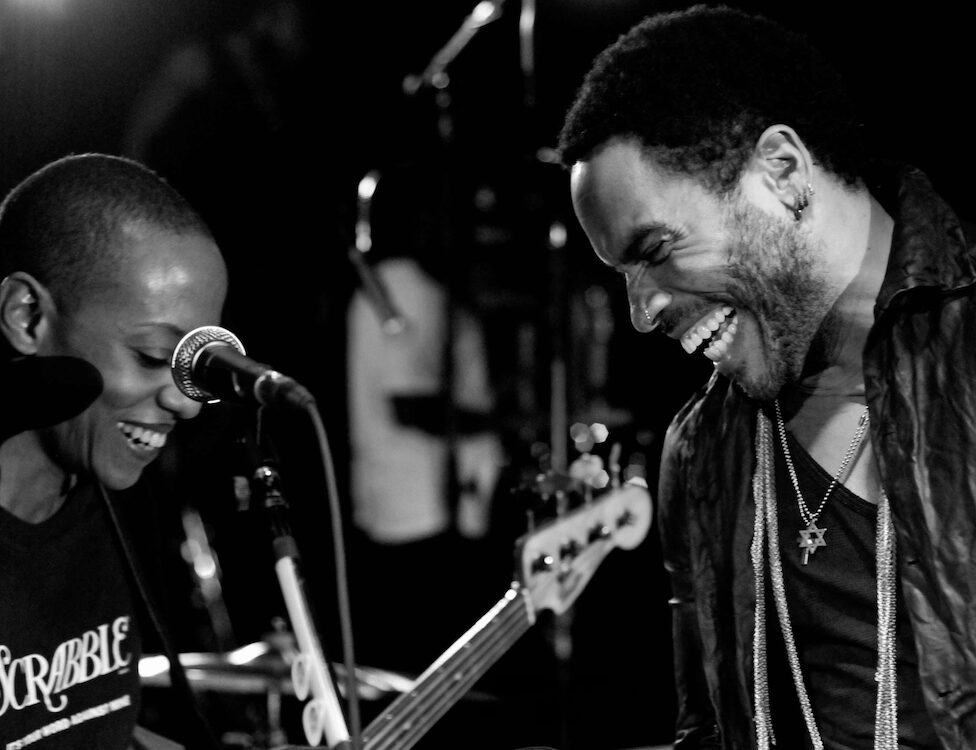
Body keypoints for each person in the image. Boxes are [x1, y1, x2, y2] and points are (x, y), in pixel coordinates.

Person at [558, 5, 975, 749]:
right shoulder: (702, 450)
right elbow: (707, 732)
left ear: (781, 171)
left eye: (654, 250)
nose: (642, 315)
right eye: (622, 274)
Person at [0, 153, 228, 749]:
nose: (186, 404)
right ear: (27, 317)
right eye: (151, 356)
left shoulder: (107, 492)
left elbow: (89, 730)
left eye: (192, 364)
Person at [346, 158, 507, 676]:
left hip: (413, 509)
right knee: (431, 664)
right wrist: (504, 422)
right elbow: (411, 405)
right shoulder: (405, 290)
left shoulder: (406, 289)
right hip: (423, 515)